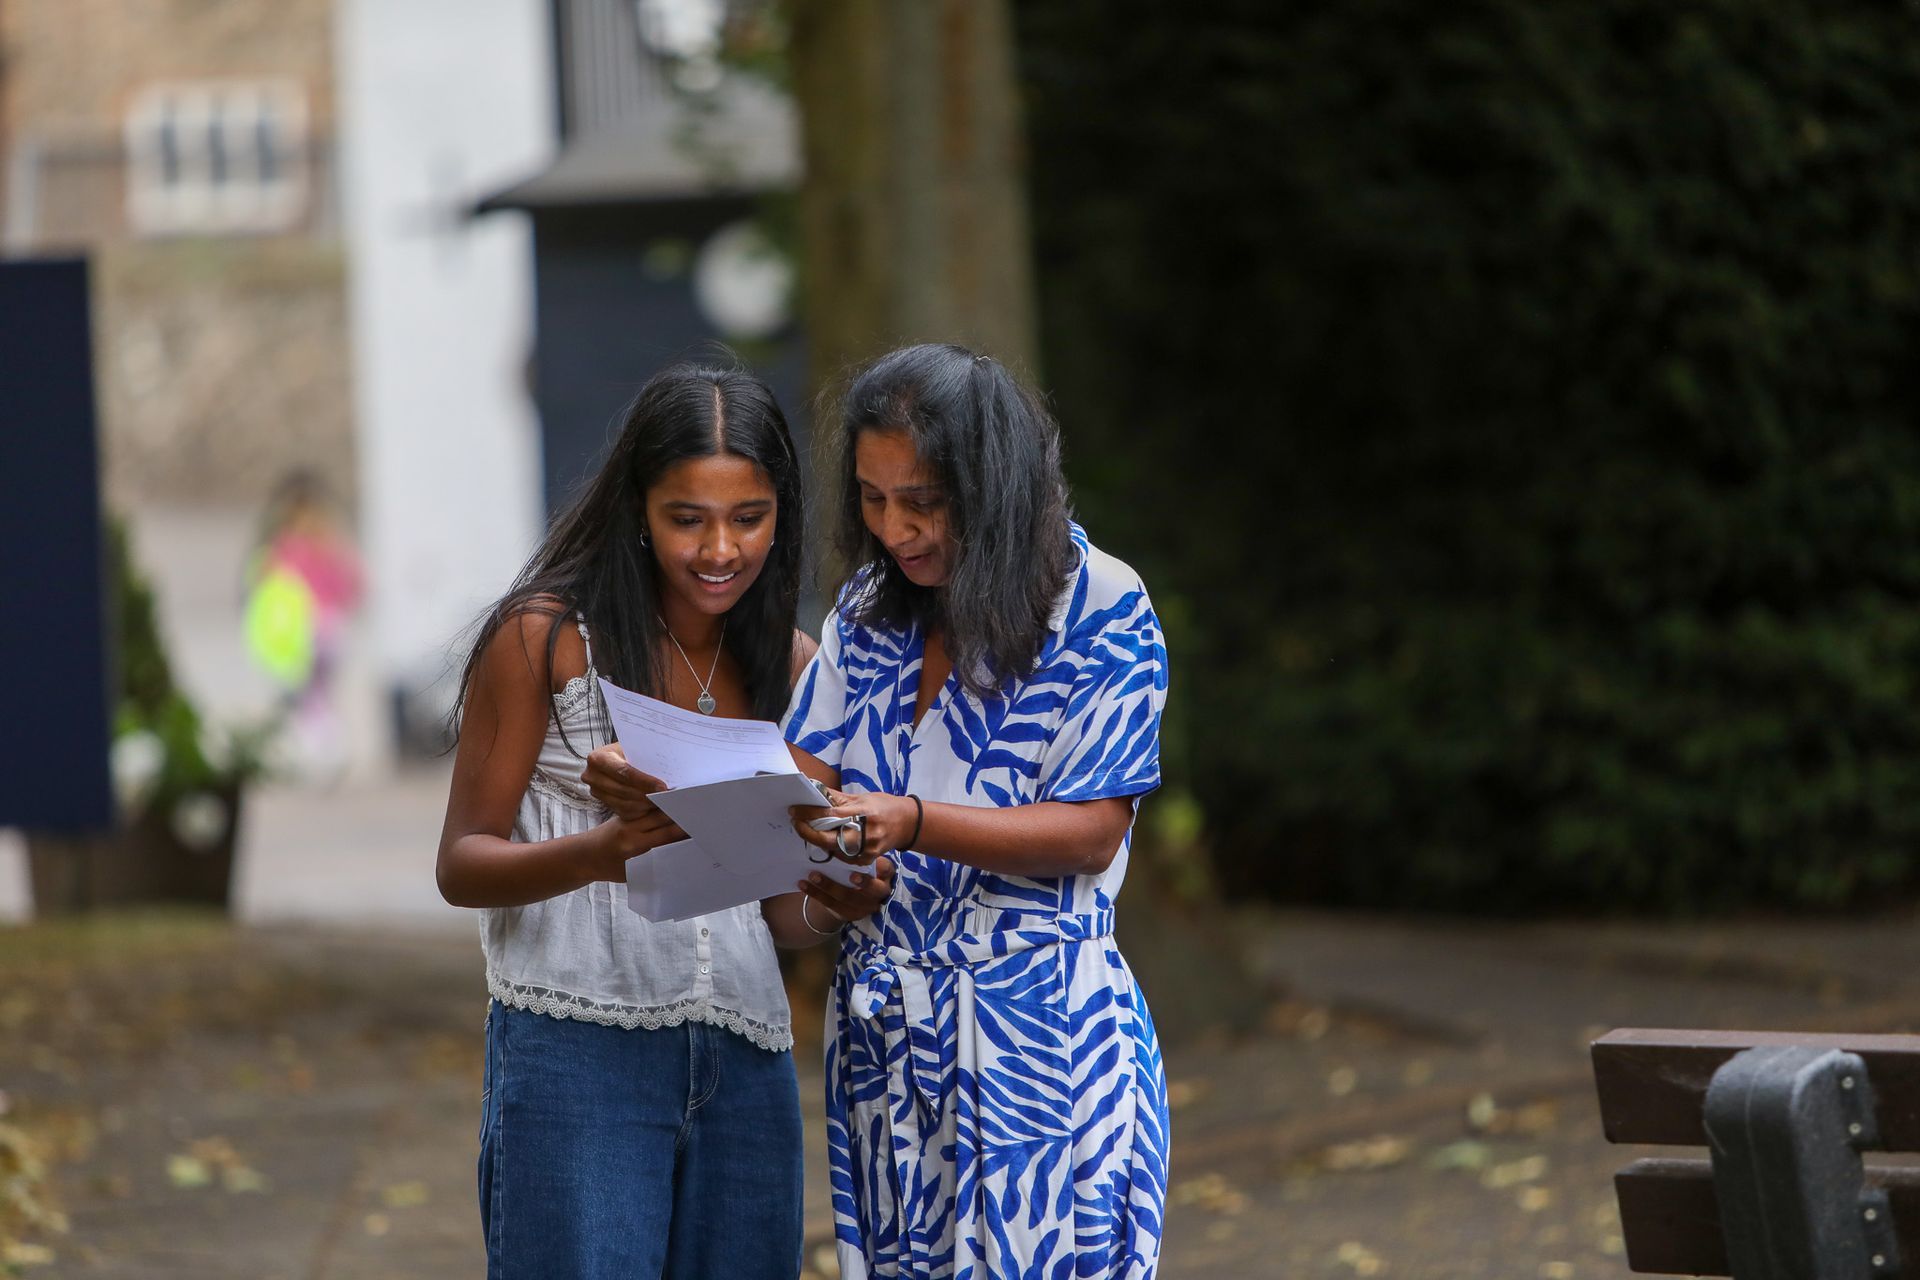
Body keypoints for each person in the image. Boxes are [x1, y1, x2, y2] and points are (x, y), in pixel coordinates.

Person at [435, 363, 895, 1280]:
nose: (719, 548)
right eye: (688, 517)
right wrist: (603, 854)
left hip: (746, 1060)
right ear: (637, 509)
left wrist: (845, 893)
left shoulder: (795, 666)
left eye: (749, 517)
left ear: (783, 513)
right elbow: (461, 864)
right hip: (576, 1052)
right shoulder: (546, 637)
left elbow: (780, 919)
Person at [783, 344, 1172, 1279]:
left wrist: (912, 821)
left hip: (1038, 1047)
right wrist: (824, 874)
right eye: (873, 500)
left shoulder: (1101, 606)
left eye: (922, 501)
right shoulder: (867, 610)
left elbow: (1092, 829)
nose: (895, 528)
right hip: (884, 1050)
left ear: (993, 486)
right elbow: (796, 790)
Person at [244, 469, 362, 779]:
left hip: (303, 632)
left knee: (307, 701)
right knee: (323, 695)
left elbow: (261, 584)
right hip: (333, 630)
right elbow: (352, 587)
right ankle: (332, 748)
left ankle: (320, 754)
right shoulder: (328, 547)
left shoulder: (284, 550)